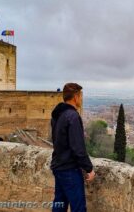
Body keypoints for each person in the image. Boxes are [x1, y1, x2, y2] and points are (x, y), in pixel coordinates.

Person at [50, 83, 95, 212]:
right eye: (80, 96)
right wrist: (89, 168)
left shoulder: (57, 115)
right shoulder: (73, 116)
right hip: (69, 169)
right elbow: (78, 147)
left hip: (58, 166)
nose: (81, 99)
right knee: (78, 208)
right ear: (75, 97)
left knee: (59, 205)